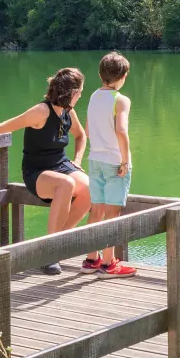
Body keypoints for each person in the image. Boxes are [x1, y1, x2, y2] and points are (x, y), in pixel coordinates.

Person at [0, 67, 91, 276]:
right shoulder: (41, 112)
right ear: (71, 92)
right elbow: (3, 127)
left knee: (90, 189)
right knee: (65, 184)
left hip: (61, 164)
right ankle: (50, 253)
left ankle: (59, 242)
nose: (81, 96)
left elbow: (81, 136)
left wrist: (77, 160)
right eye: (80, 92)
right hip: (37, 171)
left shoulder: (68, 112)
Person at [80, 52, 137, 278]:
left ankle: (90, 259)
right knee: (113, 213)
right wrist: (124, 160)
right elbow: (121, 131)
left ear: (100, 75)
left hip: (95, 159)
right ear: (122, 76)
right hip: (114, 161)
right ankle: (108, 264)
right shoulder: (120, 100)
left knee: (97, 209)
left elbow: (87, 129)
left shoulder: (94, 96)